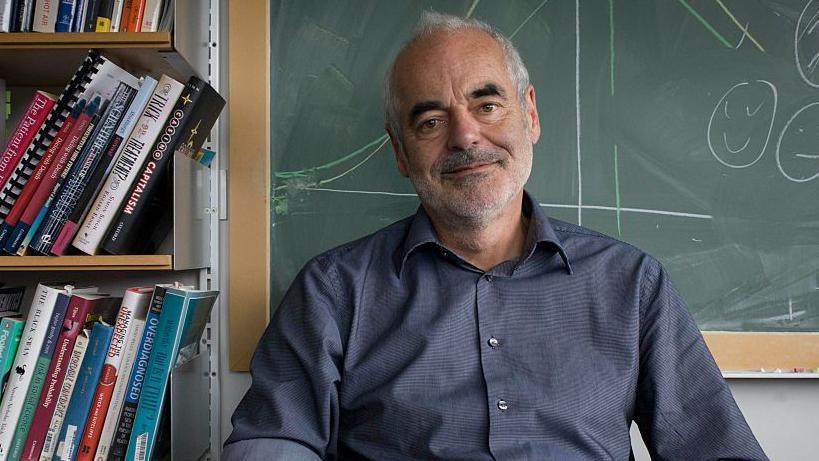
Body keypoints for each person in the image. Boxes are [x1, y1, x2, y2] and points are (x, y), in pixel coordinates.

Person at [224, 11, 767, 461]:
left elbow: (718, 450)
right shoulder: (333, 291)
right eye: (431, 121)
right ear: (399, 151)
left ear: (529, 115)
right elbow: (274, 441)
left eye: (487, 105)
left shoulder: (631, 284)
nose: (466, 136)